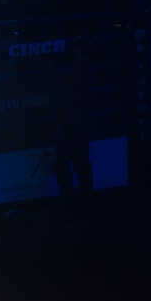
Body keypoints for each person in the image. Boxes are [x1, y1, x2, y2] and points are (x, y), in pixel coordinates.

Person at [53, 36, 96, 212]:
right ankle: (84, 199)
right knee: (81, 162)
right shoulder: (90, 70)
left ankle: (70, 200)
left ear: (79, 50)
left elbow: (70, 95)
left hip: (73, 123)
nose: (71, 51)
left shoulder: (78, 72)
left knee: (62, 162)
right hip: (83, 122)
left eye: (74, 48)